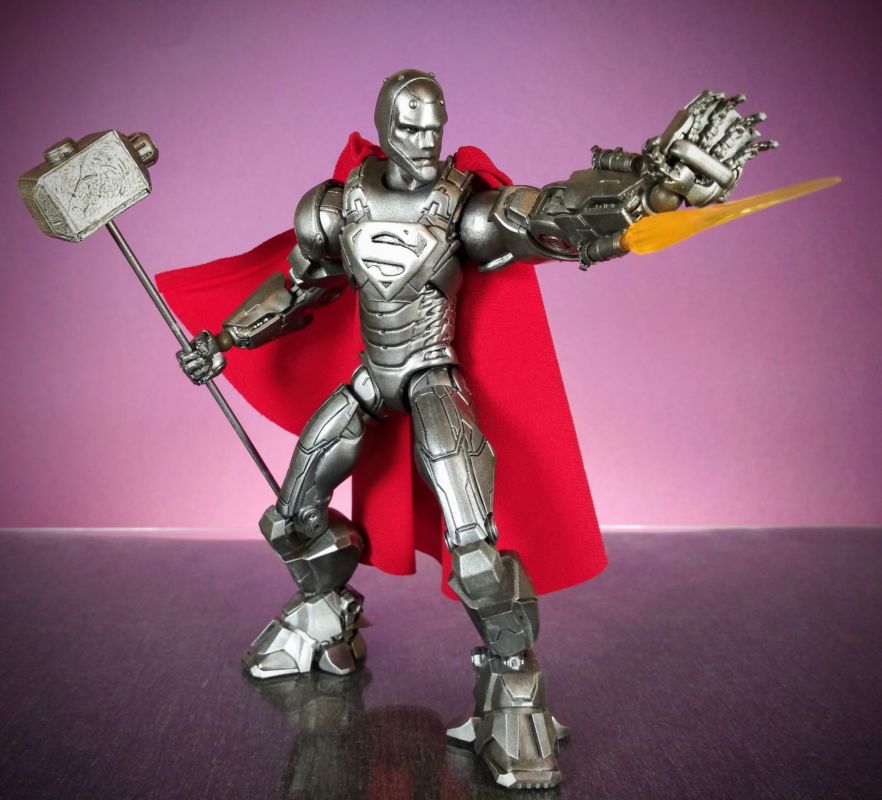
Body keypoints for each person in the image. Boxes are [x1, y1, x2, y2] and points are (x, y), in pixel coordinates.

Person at [173, 69, 773, 789]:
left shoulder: (466, 209)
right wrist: (226, 339)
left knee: (476, 550)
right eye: (411, 128)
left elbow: (550, 217)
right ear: (386, 127)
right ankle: (324, 616)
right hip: (370, 377)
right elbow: (299, 285)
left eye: (436, 127)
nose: (426, 141)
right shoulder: (335, 207)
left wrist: (647, 193)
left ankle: (513, 689)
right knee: (290, 515)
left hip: (432, 376)